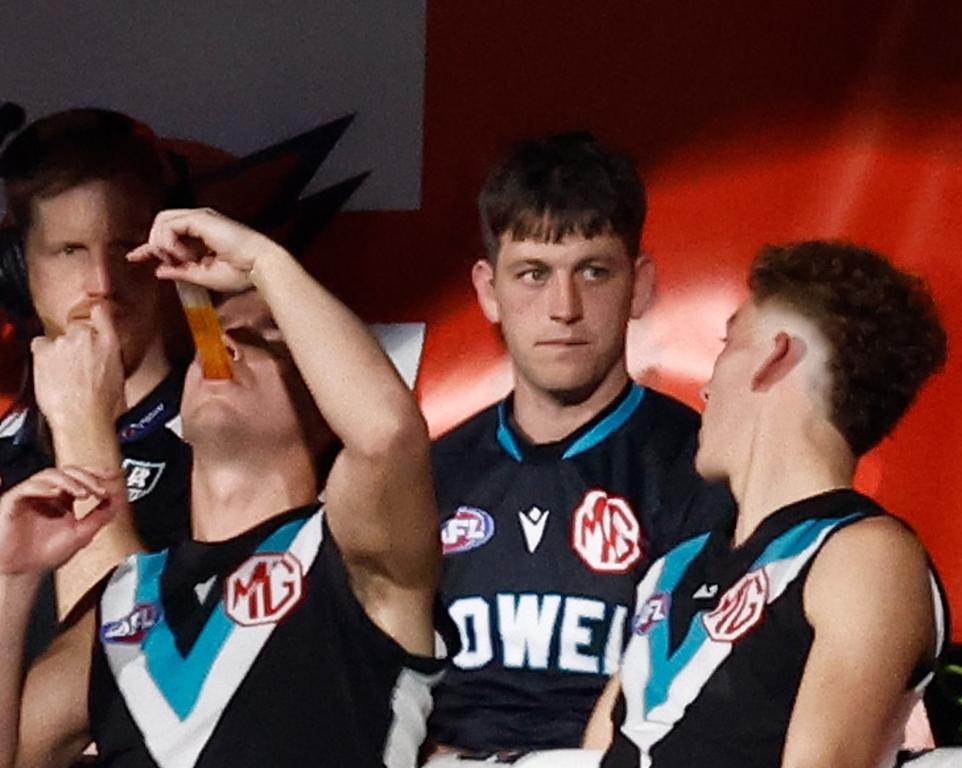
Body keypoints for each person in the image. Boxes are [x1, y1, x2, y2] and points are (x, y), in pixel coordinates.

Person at [0, 209, 449, 767]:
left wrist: (263, 262)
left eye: (270, 343)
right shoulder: (124, 601)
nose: (228, 348)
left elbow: (386, 433)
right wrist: (10, 580)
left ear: (327, 407)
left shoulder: (352, 557)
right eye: (215, 335)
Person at [428, 132, 731, 756]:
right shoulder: (430, 473)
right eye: (533, 274)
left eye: (593, 271)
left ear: (639, 284)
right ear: (488, 290)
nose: (563, 308)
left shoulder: (702, 466)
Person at [598, 240, 949, 768]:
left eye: (727, 342)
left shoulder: (864, 556)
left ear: (772, 355)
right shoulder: (673, 568)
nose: (708, 387)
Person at [0, 108, 192, 631]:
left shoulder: (221, 435)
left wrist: (84, 427)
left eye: (125, 248)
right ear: (20, 272)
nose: (101, 282)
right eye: (69, 251)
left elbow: (137, 666)